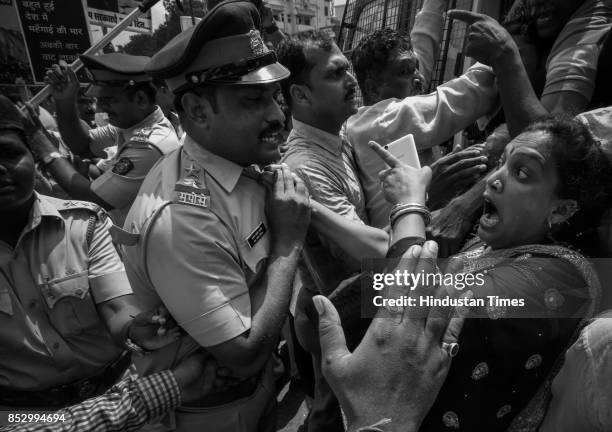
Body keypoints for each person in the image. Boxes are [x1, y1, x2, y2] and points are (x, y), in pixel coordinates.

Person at [120, 2, 310, 431]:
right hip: (209, 417)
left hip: (256, 395)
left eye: (275, 96)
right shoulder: (182, 216)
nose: (278, 115)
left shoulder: (243, 168)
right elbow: (243, 353)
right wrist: (288, 242)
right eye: (253, 100)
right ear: (199, 112)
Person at [369, 114, 612, 431]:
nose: (494, 179)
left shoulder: (557, 285)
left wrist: (409, 204)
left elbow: (414, 307)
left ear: (562, 209)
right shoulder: (509, 242)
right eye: (502, 161)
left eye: (522, 172)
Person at [0, 96, 179, 410]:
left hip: (122, 398)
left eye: (10, 154)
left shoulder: (84, 223)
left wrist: (136, 327)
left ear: (32, 156)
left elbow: (117, 308)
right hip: (27, 418)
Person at [347, 27, 499, 227]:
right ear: (373, 87)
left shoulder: (367, 121)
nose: (419, 77)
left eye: (416, 67)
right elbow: (472, 93)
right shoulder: (385, 121)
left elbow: (423, 43)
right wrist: (502, 47)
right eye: (405, 71)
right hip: (403, 243)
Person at [43, 53, 180, 226]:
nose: (100, 107)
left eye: (108, 100)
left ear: (140, 99)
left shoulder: (151, 144)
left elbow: (94, 198)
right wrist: (65, 101)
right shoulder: (129, 125)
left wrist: (42, 145)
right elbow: (83, 145)